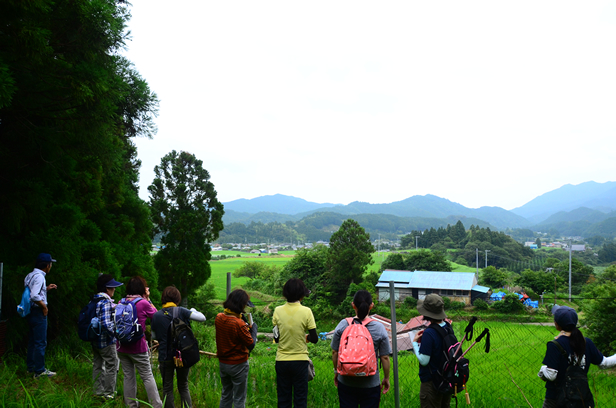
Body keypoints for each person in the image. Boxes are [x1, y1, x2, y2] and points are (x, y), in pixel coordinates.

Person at [538, 305, 616, 408]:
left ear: (557, 324)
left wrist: (542, 371)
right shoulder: (586, 342)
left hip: (556, 398)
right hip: (581, 397)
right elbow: (604, 363)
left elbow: (551, 375)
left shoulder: (554, 345)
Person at [331, 290, 391, 408]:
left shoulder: (343, 324)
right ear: (371, 306)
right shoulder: (379, 328)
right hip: (371, 383)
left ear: (353, 305)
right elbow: (384, 357)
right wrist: (386, 378)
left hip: (346, 381)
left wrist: (336, 372)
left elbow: (334, 352)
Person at [152, 286, 206, 408]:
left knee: (167, 388)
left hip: (165, 356)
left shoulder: (156, 315)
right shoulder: (182, 311)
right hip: (182, 355)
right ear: (177, 298)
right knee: (183, 386)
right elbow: (202, 318)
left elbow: (154, 336)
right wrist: (193, 310)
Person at [116, 276, 162, 408]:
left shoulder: (121, 301)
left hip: (122, 346)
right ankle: (157, 405)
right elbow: (157, 317)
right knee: (147, 376)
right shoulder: (142, 303)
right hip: (138, 346)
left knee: (128, 376)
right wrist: (148, 299)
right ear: (142, 288)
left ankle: (131, 405)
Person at [272, 278, 318, 408]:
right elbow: (314, 338)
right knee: (300, 400)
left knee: (283, 400)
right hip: (300, 361)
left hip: (281, 361)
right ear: (301, 295)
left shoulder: (277, 311)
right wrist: (305, 337)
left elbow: (276, 338)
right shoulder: (306, 311)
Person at [215, 289, 258, 408]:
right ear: (240, 305)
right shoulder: (238, 324)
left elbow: (232, 334)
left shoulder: (219, 317)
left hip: (223, 363)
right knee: (239, 398)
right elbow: (251, 344)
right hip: (238, 364)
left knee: (226, 395)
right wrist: (254, 329)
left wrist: (243, 322)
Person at [412, 294, 453, 408]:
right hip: (446, 379)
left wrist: (415, 343)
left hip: (431, 382)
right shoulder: (448, 327)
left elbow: (424, 361)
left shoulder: (429, 333)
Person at [24, 253, 58, 378]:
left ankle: (31, 368)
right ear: (47, 265)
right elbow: (34, 296)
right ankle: (39, 371)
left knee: (33, 341)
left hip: (31, 311)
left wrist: (46, 289)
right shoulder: (39, 277)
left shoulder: (30, 275)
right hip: (38, 311)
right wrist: (44, 307)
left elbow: (32, 291)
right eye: (50, 264)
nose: (51, 266)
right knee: (40, 342)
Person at [91, 274, 124, 399]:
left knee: (98, 364)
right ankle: (109, 393)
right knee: (112, 364)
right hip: (105, 341)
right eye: (112, 287)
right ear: (107, 288)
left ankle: (97, 391)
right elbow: (106, 323)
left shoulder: (94, 299)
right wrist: (116, 333)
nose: (114, 290)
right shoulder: (105, 302)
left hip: (95, 339)